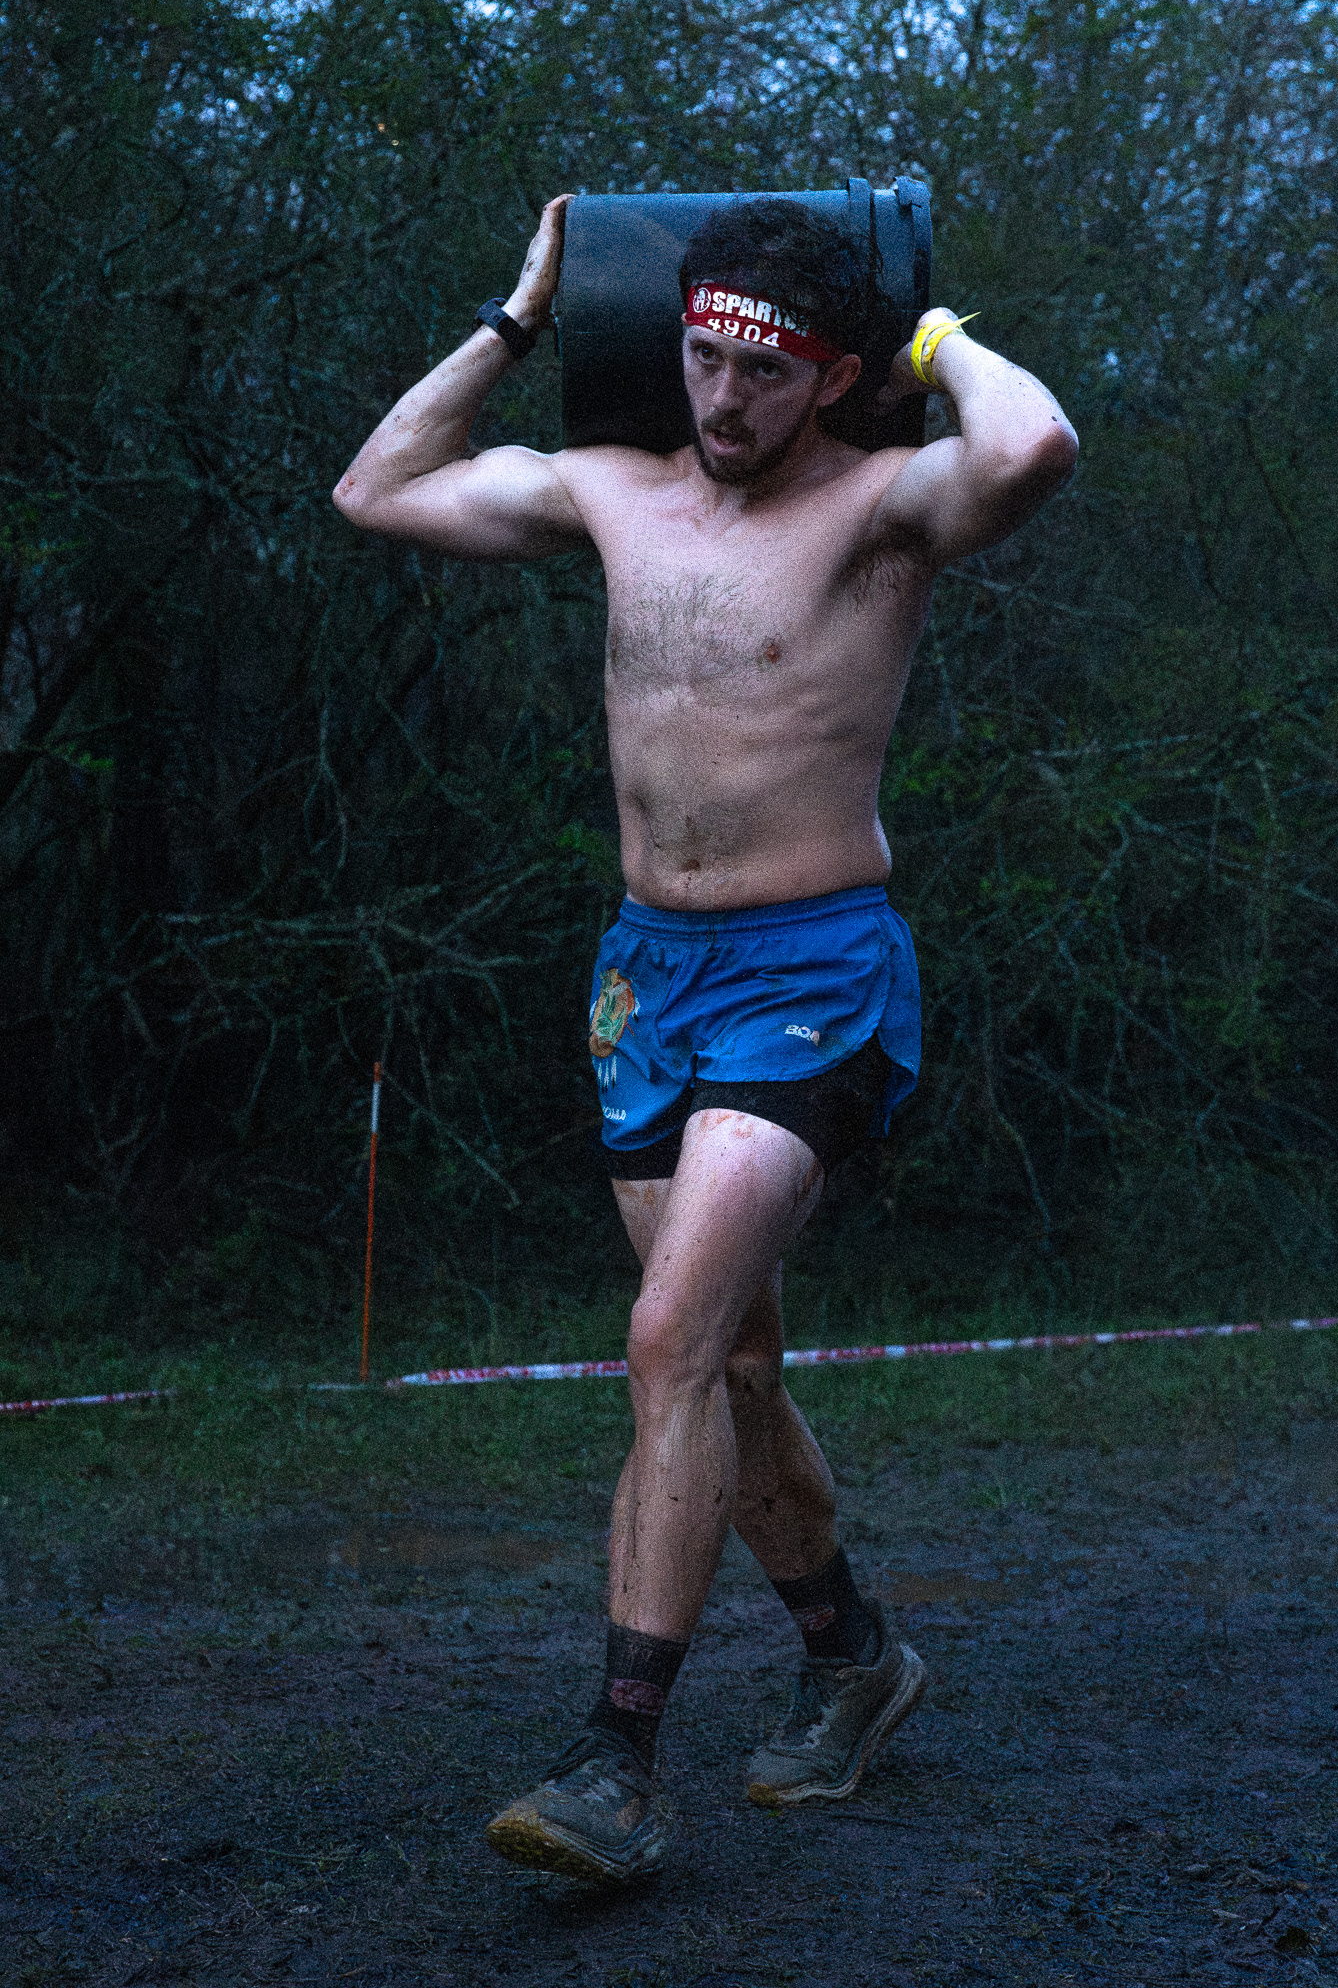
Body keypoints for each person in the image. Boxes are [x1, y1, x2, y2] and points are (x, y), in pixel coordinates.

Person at [333, 193, 1077, 1884]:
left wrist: (930, 333)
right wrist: (523, 316)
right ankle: (852, 1656)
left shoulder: (883, 506)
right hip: (646, 980)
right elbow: (376, 489)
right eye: (703, 359)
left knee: (668, 1338)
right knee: (732, 1367)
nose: (725, 400)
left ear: (832, 377)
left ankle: (615, 1764)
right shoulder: (611, 491)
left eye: (765, 371)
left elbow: (1035, 446)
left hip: (814, 970)